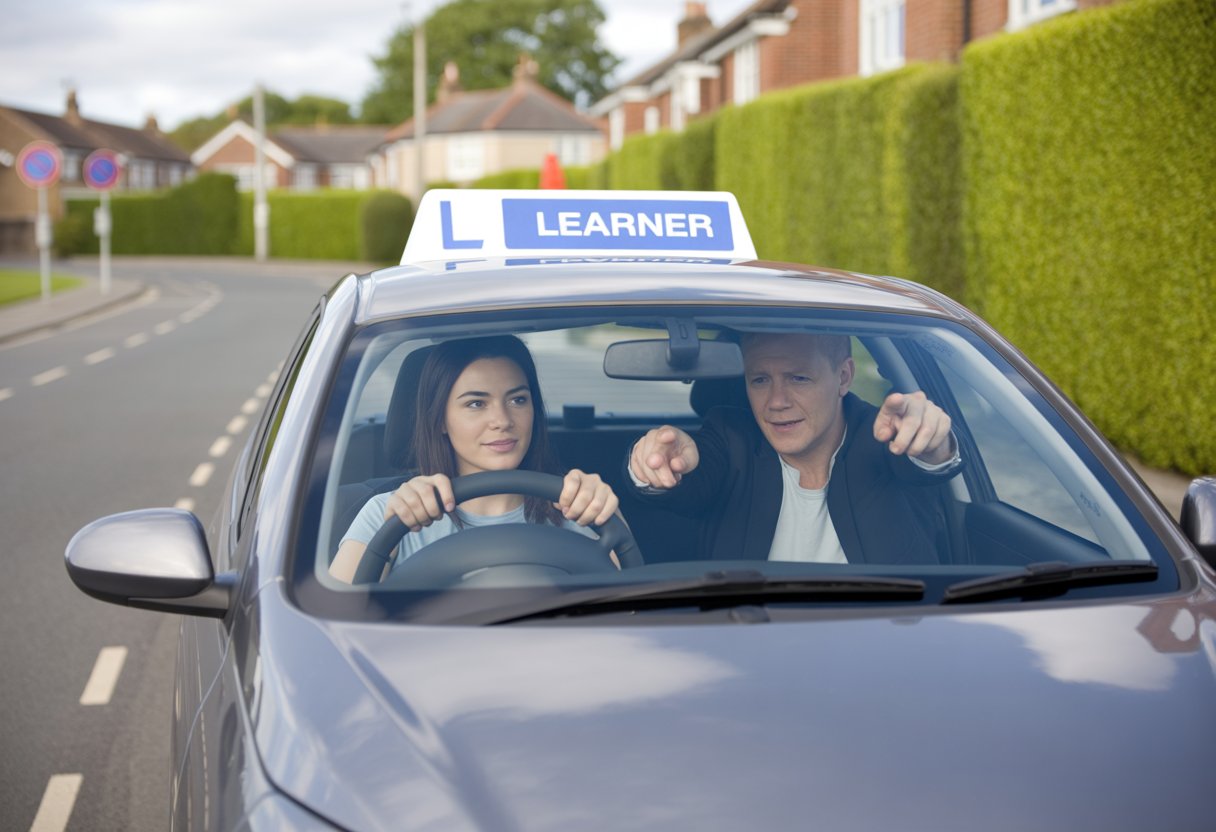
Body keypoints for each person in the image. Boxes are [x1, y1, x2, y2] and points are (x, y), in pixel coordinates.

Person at [626, 332, 963, 564]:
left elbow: (927, 461)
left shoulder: (884, 436)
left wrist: (932, 439)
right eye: (760, 380)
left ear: (844, 377)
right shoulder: (731, 438)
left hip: (886, 650)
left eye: (798, 378)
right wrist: (654, 464)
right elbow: (687, 485)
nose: (776, 402)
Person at [330, 335, 619, 584]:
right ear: (440, 419)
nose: (502, 420)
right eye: (476, 404)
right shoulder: (388, 515)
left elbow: (628, 619)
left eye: (517, 399)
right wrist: (388, 537)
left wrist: (607, 515)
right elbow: (328, 633)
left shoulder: (580, 506)